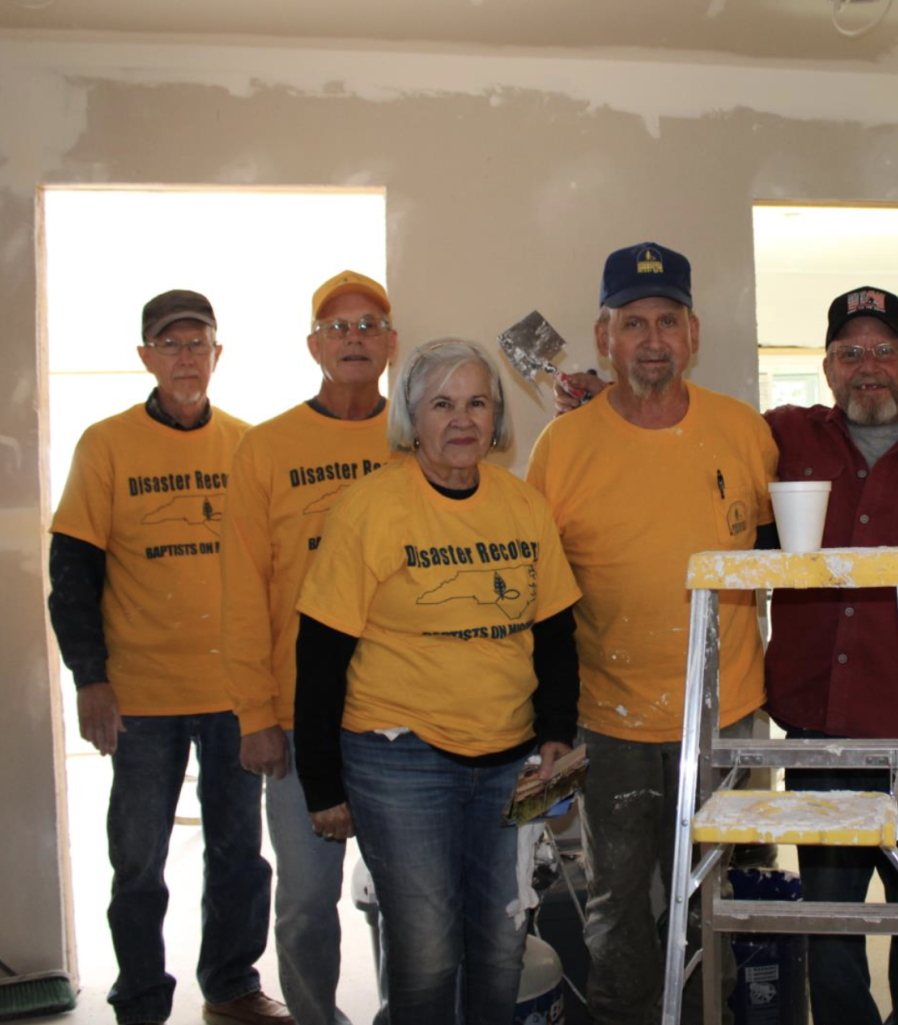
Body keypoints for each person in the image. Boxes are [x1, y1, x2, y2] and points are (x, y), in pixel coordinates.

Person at [293, 339, 582, 1025]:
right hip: (400, 759)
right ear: (412, 419)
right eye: (442, 404)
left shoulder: (523, 505)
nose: (461, 419)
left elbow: (554, 633)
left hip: (509, 760)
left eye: (477, 402)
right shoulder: (370, 508)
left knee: (501, 947)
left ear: (495, 416)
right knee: (426, 955)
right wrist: (322, 783)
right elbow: (321, 653)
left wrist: (555, 731)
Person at [527, 241, 777, 1025]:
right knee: (618, 907)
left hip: (727, 714)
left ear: (693, 333)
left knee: (722, 897)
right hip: (611, 723)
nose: (653, 340)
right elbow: (540, 599)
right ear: (604, 336)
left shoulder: (744, 433)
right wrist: (545, 724)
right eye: (633, 323)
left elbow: (782, 555)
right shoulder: (562, 446)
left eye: (668, 320)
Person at [48, 289, 291, 1025]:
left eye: (198, 344)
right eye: (170, 345)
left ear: (218, 354)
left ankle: (231, 986)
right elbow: (71, 572)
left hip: (232, 693)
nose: (185, 358)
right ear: (146, 357)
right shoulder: (106, 444)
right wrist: (90, 679)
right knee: (138, 860)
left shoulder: (247, 445)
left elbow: (272, 569)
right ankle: (142, 998)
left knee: (239, 852)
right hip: (141, 696)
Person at [762, 286, 898, 1024]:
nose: (869, 366)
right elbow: (693, 442)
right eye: (850, 352)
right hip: (820, 725)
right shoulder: (782, 436)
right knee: (830, 920)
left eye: (885, 349)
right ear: (827, 367)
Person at [220, 270, 398, 1025]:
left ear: (391, 344)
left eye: (369, 326)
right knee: (303, 900)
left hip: (401, 716)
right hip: (299, 719)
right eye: (338, 328)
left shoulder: (416, 438)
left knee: (411, 895)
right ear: (313, 346)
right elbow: (240, 589)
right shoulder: (265, 448)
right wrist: (254, 714)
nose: (354, 339)